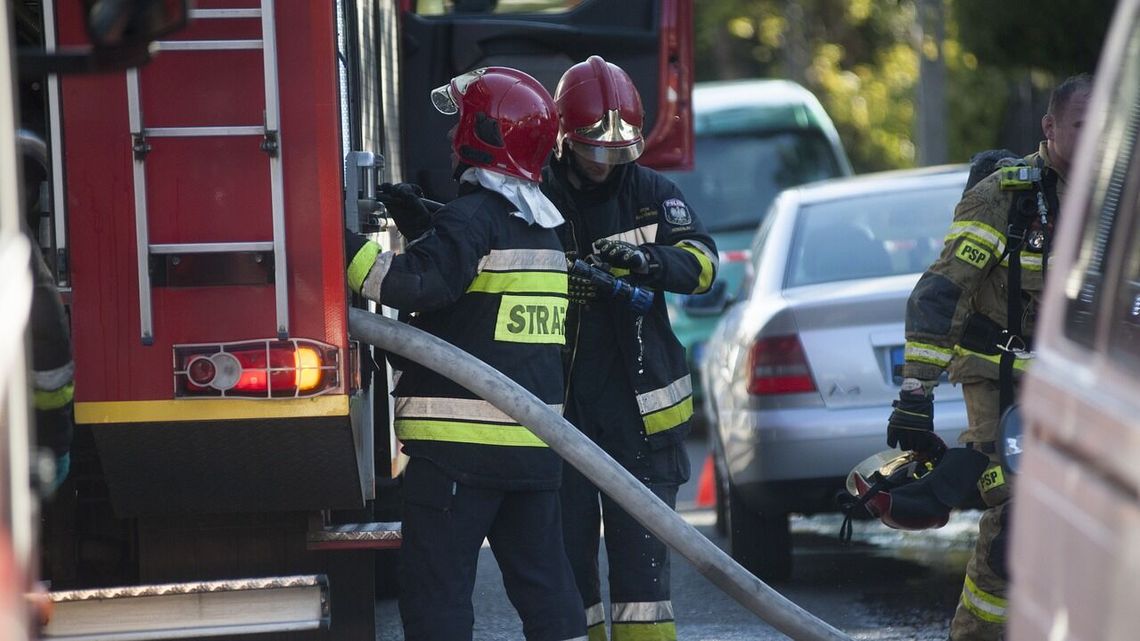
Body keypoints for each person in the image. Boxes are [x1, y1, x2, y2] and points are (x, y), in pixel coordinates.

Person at [344, 67, 586, 641]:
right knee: (547, 587)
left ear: (479, 132)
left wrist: (337, 241)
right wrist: (428, 220)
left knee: (438, 594)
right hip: (533, 452)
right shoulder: (542, 230)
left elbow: (411, 285)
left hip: (460, 455)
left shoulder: (473, 219)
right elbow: (480, 291)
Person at [888, 73, 1093, 641]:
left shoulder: (1120, 199)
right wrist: (915, 395)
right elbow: (941, 295)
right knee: (1015, 522)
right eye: (1083, 125)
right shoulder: (1005, 196)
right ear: (1050, 127)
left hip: (1095, 392)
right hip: (1006, 385)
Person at [540, 56, 718, 641]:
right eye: (594, 148)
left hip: (642, 421)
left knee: (644, 586)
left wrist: (650, 262)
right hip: (560, 414)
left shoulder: (653, 194)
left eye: (618, 149)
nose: (606, 162)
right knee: (568, 580)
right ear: (566, 138)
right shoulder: (536, 197)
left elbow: (703, 265)